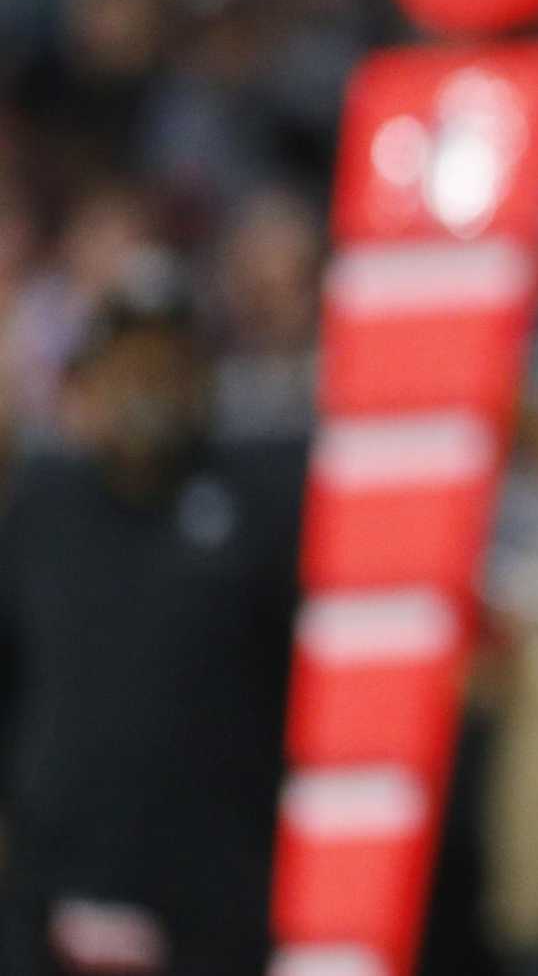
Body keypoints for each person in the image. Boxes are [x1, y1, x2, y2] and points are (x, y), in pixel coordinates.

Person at [0, 251, 304, 975]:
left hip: (212, 897)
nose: (149, 389)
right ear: (86, 385)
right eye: (130, 365)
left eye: (170, 364)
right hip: (51, 887)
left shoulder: (257, 507)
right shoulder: (39, 507)